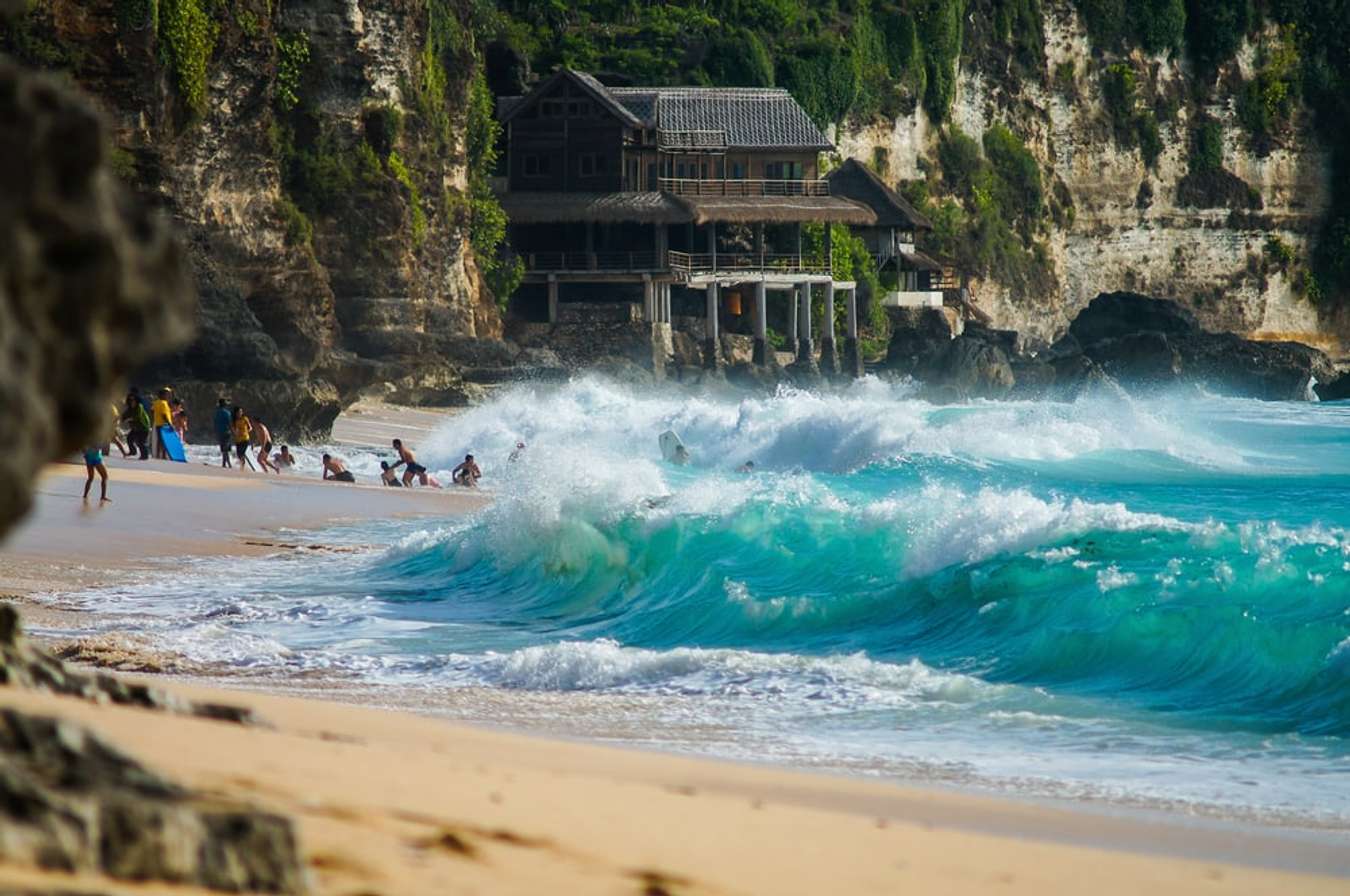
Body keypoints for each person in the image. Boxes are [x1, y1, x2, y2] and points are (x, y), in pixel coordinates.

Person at [122, 393, 150, 460]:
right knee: (129, 438)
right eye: (130, 400)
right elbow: (124, 415)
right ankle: (133, 451)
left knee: (141, 442)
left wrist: (129, 419)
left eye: (133, 400)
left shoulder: (139, 406)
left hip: (143, 427)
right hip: (136, 428)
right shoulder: (130, 408)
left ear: (137, 401)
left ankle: (144, 456)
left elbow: (138, 416)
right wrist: (123, 418)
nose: (132, 402)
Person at [150, 388, 173, 459]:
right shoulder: (163, 403)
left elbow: (152, 411)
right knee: (163, 441)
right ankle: (162, 455)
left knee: (159, 440)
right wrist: (170, 424)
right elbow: (164, 415)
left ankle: (157, 454)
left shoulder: (156, 402)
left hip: (157, 423)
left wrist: (156, 418)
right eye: (167, 395)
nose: (168, 396)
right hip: (164, 424)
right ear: (163, 395)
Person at [213, 398, 233, 468]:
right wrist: (233, 431)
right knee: (226, 449)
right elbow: (230, 423)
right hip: (226, 432)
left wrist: (216, 432)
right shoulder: (227, 413)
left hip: (219, 433)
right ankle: (226, 463)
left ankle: (226, 463)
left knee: (224, 449)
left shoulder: (217, 413)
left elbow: (215, 423)